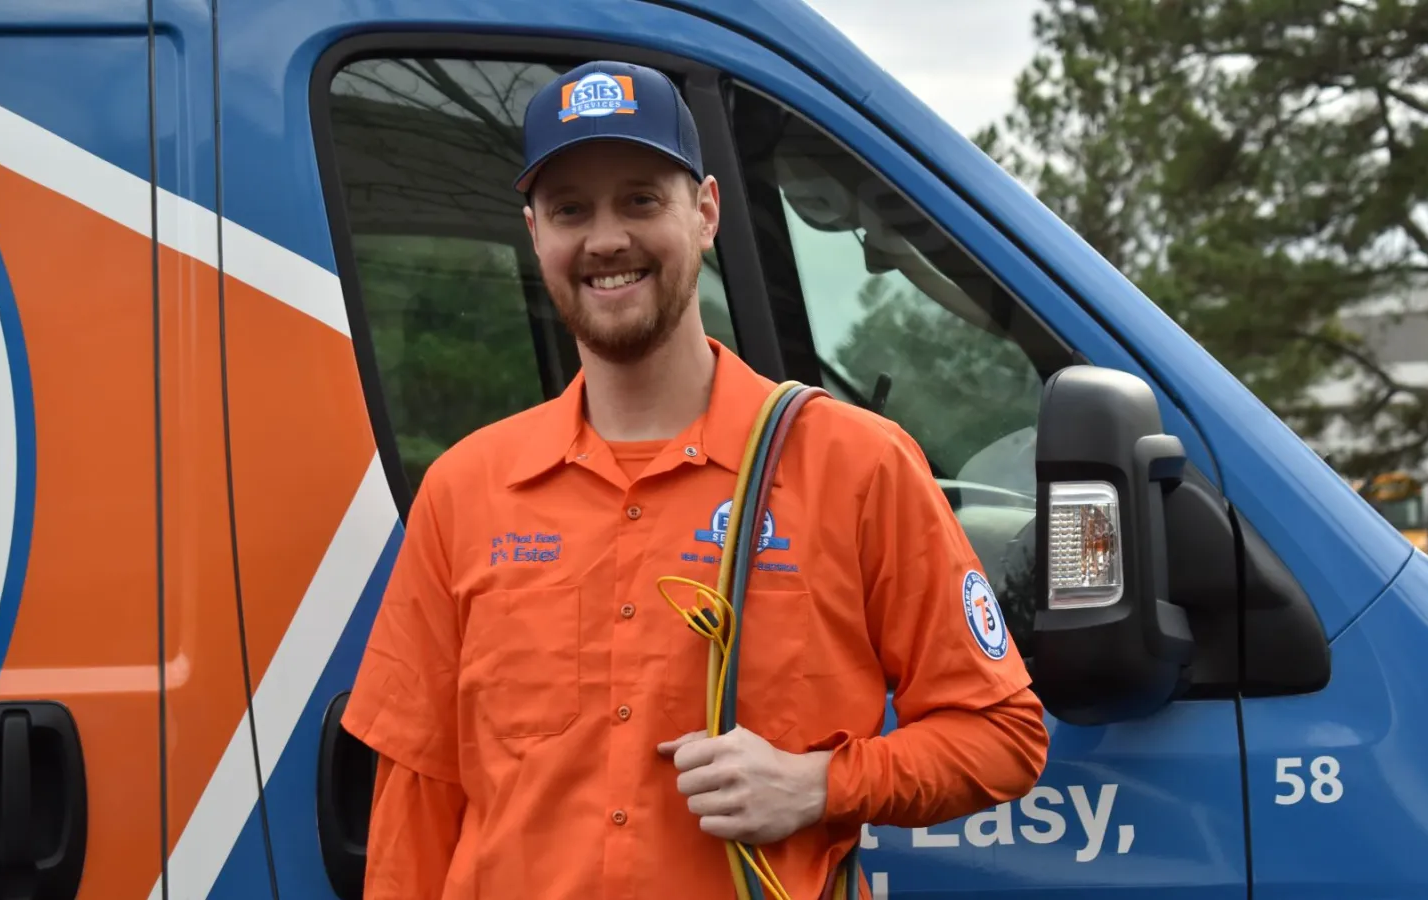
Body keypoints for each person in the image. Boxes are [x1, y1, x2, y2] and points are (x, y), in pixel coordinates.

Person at [340, 59, 1049, 900]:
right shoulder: (465, 490)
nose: (607, 239)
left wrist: (821, 786)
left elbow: (1004, 733)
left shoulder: (857, 465)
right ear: (535, 233)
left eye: (641, 199)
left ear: (705, 212)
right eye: (572, 209)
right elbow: (418, 804)